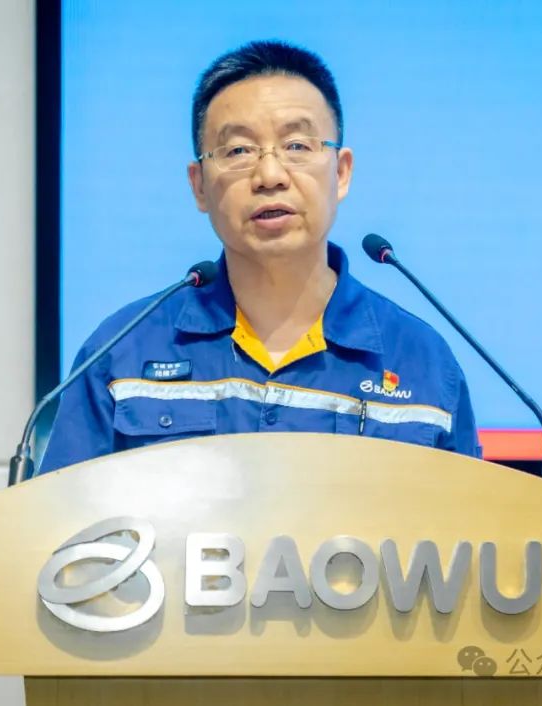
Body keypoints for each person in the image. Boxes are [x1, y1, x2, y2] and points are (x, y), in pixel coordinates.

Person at [39, 40, 481, 473]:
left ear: (341, 172)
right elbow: (59, 517)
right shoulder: (121, 355)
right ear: (198, 185)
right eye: (238, 151)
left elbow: (473, 518)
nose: (270, 175)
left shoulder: (422, 362)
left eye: (297, 146)